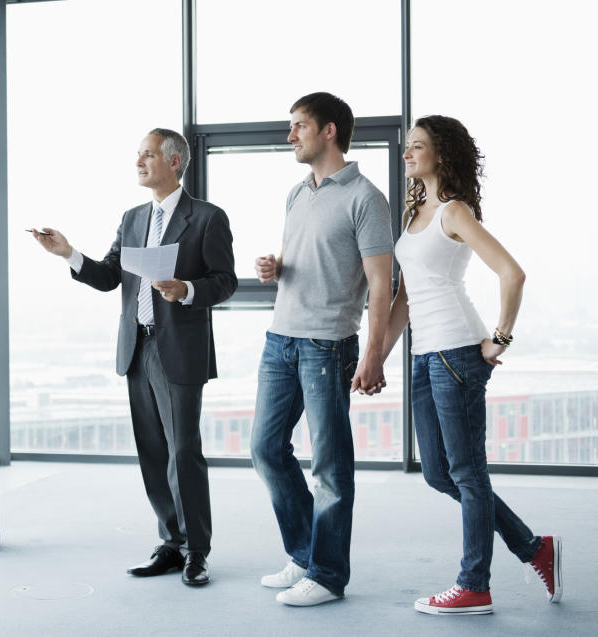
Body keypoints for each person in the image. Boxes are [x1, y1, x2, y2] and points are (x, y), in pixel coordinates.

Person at [31, 128, 237, 587]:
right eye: (138, 155)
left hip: (179, 350)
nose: (139, 162)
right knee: (152, 451)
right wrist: (68, 253)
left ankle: (197, 552)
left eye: (148, 155)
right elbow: (109, 276)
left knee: (183, 452)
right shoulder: (131, 218)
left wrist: (186, 290)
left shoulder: (206, 218)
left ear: (175, 162)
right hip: (137, 347)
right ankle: (170, 541)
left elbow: (225, 281)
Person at [381, 115, 561, 615]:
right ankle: (533, 547)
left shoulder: (454, 212)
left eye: (417, 146)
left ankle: (474, 585)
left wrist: (499, 338)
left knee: (467, 473)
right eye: (407, 147)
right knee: (439, 473)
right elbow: (404, 299)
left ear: (442, 154)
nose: (407, 154)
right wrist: (376, 354)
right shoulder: (414, 215)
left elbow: (512, 273)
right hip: (423, 356)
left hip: (457, 352)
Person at [250, 92, 394, 607]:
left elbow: (382, 286)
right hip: (279, 339)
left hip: (327, 345)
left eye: (299, 126)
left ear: (329, 131)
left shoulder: (366, 198)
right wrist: (274, 269)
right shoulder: (297, 193)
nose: (291, 136)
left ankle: (328, 574)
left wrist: (375, 354)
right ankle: (306, 552)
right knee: (266, 450)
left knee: (330, 467)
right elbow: (294, 260)